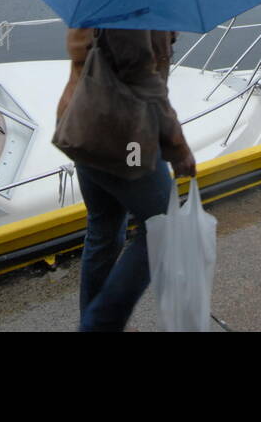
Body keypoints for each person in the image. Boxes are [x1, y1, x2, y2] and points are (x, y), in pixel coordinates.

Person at [59, 27, 195, 332]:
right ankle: (98, 325)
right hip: (122, 138)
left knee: (105, 229)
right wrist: (178, 147)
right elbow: (143, 80)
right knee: (164, 229)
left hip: (83, 126)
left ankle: (92, 321)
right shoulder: (132, 8)